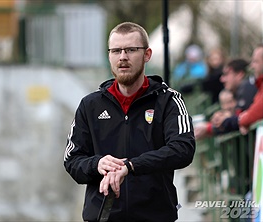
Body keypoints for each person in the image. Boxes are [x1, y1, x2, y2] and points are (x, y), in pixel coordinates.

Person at [63, 22, 195, 222]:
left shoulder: (169, 100)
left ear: (147, 55)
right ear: (109, 56)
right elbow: (72, 160)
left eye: (131, 50)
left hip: (155, 217)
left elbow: (183, 148)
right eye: (116, 51)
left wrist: (131, 165)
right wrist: (97, 163)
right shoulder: (90, 105)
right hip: (103, 217)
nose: (123, 57)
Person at [195, 58, 257, 139]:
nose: (222, 79)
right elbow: (238, 119)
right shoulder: (242, 90)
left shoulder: (248, 87)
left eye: (226, 74)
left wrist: (212, 126)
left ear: (239, 74)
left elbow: (242, 119)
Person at [220, 44, 263, 135]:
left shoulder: (248, 87)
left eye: (255, 61)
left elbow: (255, 113)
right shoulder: (258, 85)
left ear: (239, 74)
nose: (251, 66)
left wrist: (241, 120)